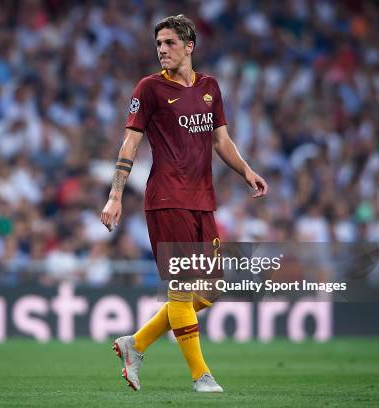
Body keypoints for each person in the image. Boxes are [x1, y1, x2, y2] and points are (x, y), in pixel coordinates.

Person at [100, 15, 268, 393]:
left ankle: (136, 344)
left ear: (189, 46)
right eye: (158, 43)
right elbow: (129, 143)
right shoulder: (149, 89)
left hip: (202, 199)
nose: (162, 49)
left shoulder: (210, 87)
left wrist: (246, 171)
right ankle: (200, 375)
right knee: (180, 287)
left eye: (170, 43)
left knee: (211, 289)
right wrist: (114, 195)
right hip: (166, 198)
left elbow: (221, 141)